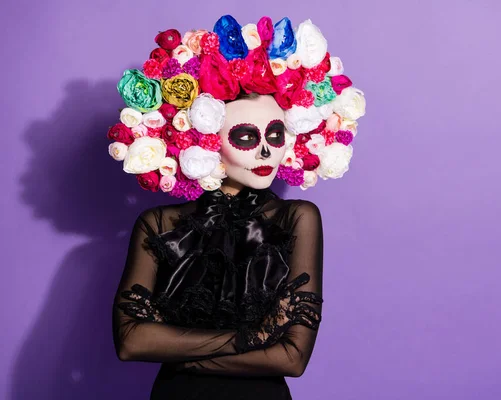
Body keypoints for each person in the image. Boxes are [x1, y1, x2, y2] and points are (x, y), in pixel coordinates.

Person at [107, 15, 366, 399]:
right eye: (246, 136)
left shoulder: (296, 218)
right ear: (207, 140)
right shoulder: (159, 224)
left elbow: (291, 358)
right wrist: (254, 338)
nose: (266, 150)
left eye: (275, 135)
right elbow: (131, 342)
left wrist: (180, 352)